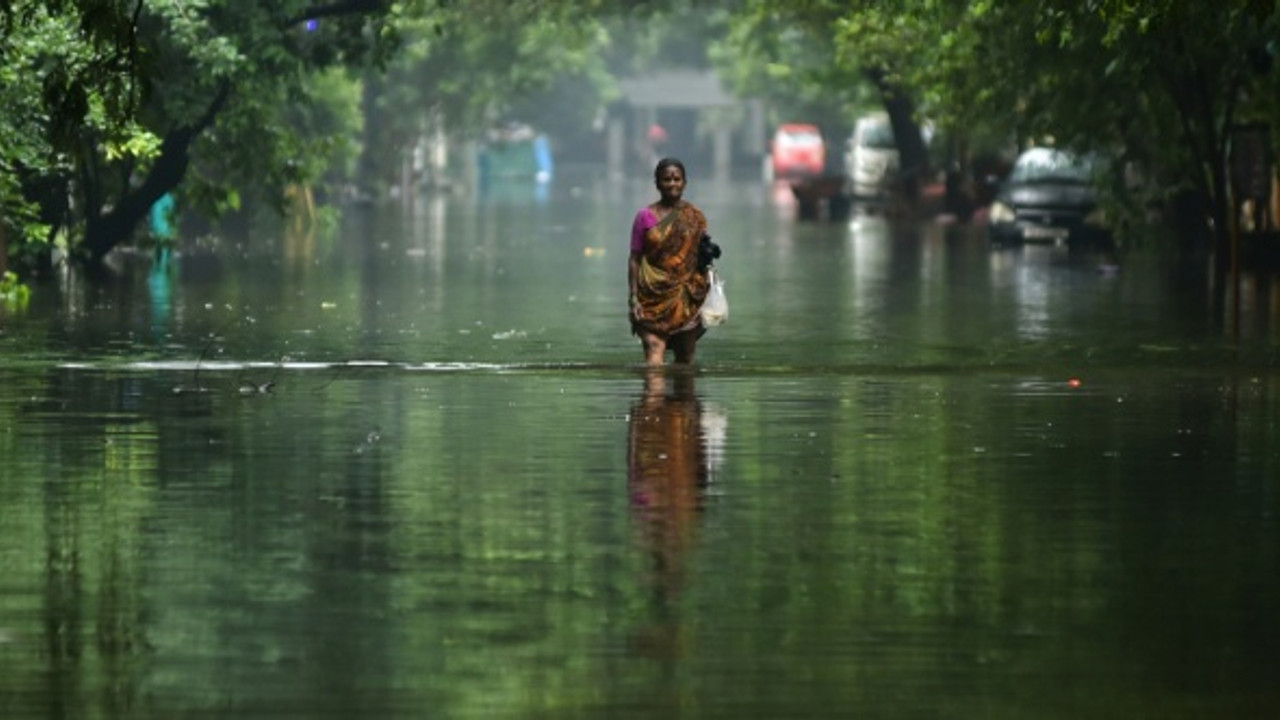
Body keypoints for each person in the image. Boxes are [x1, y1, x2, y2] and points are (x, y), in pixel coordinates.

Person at [628, 157, 711, 366]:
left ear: (684, 183)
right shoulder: (645, 217)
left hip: (686, 297)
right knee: (654, 350)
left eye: (677, 179)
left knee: (685, 358)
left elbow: (700, 257)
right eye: (666, 179)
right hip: (651, 298)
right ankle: (653, 389)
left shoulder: (695, 217)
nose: (672, 184)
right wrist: (634, 298)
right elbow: (635, 258)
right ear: (657, 183)